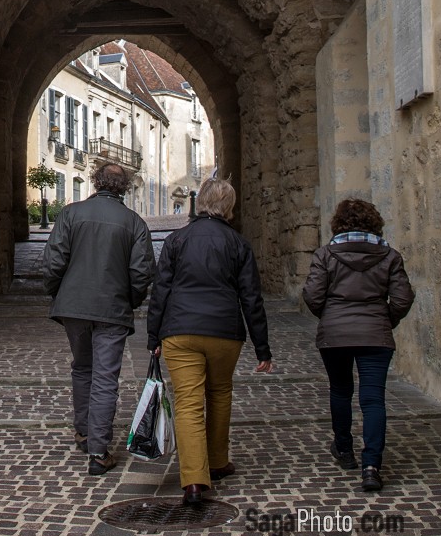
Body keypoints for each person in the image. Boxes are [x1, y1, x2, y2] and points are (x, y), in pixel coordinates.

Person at [146, 177, 272, 506]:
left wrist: (153, 335)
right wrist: (262, 346)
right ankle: (217, 462)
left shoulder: (177, 240)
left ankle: (193, 481)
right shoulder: (238, 244)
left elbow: (160, 292)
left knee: (188, 403)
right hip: (224, 332)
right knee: (219, 395)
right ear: (228, 207)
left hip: (180, 330)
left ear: (199, 201)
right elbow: (251, 298)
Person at [43, 161, 154, 476]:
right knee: (105, 377)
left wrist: (59, 294)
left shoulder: (70, 214)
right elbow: (141, 272)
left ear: (96, 182)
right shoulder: (134, 223)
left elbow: (53, 260)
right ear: (124, 188)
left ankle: (84, 433)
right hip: (112, 310)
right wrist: (129, 302)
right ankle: (98, 450)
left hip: (75, 307)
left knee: (82, 368)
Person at [302, 197, 415, 493]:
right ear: (374, 223)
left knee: (340, 390)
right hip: (375, 334)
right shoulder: (390, 256)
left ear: (338, 224)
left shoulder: (325, 254)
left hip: (335, 335)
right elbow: (402, 298)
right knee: (373, 399)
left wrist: (330, 317)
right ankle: (371, 466)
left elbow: (313, 295)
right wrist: (383, 319)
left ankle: (344, 449)